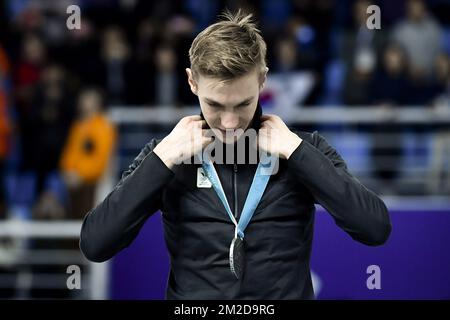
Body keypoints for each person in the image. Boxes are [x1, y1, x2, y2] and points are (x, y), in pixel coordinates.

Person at [80, 10, 391, 300]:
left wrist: (298, 153)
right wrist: (161, 161)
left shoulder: (303, 148)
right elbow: (95, 244)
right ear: (192, 82)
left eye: (243, 104)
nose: (229, 123)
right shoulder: (167, 155)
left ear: (262, 80)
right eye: (215, 104)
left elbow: (375, 228)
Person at [60, 88, 116, 219]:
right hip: (73, 180)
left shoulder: (103, 125)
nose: (83, 101)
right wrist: (68, 171)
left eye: (88, 98)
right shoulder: (78, 125)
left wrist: (81, 175)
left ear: (98, 102)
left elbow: (102, 159)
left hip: (93, 182)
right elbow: (69, 153)